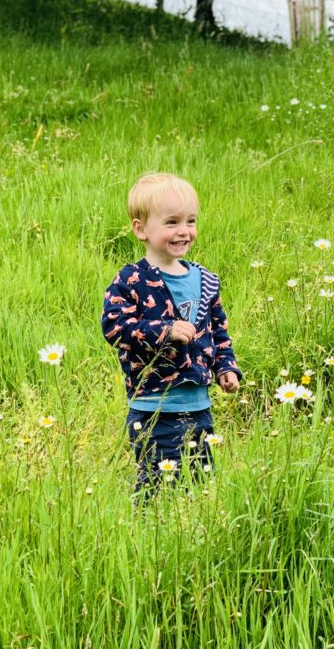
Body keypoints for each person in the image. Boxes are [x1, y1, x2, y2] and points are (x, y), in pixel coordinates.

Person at [101, 172, 241, 498]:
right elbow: (114, 327)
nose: (183, 231)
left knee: (199, 485)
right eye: (171, 222)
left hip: (199, 406)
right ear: (141, 229)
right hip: (153, 406)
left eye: (190, 221)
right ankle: (148, 537)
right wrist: (164, 331)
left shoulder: (205, 281)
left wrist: (226, 367)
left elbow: (218, 329)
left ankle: (192, 539)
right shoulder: (131, 280)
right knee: (157, 486)